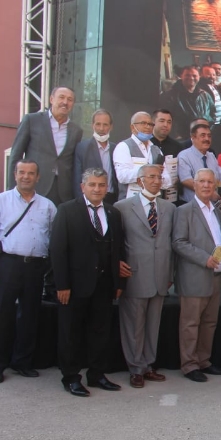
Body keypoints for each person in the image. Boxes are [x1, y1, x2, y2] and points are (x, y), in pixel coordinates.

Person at [50, 168, 124, 396]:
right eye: (92, 184)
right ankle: (71, 377)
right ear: (83, 187)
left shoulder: (113, 213)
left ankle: (97, 374)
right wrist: (62, 284)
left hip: (103, 286)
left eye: (101, 185)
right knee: (70, 333)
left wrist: (118, 283)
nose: (97, 189)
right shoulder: (67, 211)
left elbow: (118, 250)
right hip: (74, 286)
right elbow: (58, 251)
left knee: (100, 332)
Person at [115, 165, 175, 388]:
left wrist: (170, 273)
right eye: (151, 177)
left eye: (159, 177)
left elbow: (171, 243)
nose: (156, 181)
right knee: (133, 326)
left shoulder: (169, 208)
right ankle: (135, 368)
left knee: (153, 325)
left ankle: (148, 365)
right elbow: (116, 243)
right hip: (135, 274)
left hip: (160, 276)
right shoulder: (122, 208)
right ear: (140, 181)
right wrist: (116, 265)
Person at [0, 160, 57, 383]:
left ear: (38, 177)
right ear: (15, 175)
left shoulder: (48, 206)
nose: (26, 176)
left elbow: (53, 236)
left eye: (31, 173)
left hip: (35, 266)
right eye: (22, 172)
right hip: (8, 264)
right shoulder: (2, 201)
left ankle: (22, 362)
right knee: (3, 316)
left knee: (30, 315)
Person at [172, 168, 221, 383]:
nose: (206, 185)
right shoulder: (184, 211)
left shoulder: (217, 211)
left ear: (215, 186)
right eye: (202, 181)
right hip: (195, 275)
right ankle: (189, 364)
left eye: (210, 182)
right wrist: (204, 258)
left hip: (215, 276)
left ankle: (203, 360)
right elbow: (178, 242)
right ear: (194, 185)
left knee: (209, 322)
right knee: (190, 323)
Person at [8, 86, 83, 205]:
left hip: (63, 192)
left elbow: (73, 162)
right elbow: (15, 155)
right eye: (61, 97)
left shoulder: (76, 130)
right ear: (51, 99)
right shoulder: (32, 120)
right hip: (35, 186)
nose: (65, 102)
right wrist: (12, 192)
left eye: (70, 99)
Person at [114, 112, 174, 199]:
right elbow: (122, 176)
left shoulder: (156, 149)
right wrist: (149, 170)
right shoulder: (123, 146)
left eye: (150, 124)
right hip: (131, 203)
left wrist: (157, 177)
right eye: (143, 123)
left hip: (154, 203)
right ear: (132, 127)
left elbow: (167, 182)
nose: (148, 127)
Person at [177, 123, 221, 207]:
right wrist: (210, 193)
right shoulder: (184, 156)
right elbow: (186, 180)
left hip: (212, 207)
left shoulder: (211, 156)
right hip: (192, 208)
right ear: (193, 137)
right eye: (203, 135)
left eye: (209, 136)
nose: (207, 139)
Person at [73, 109, 118, 205]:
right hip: (91, 198)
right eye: (98, 124)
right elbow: (77, 179)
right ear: (92, 125)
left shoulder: (116, 148)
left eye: (105, 124)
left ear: (111, 127)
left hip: (112, 198)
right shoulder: (82, 148)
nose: (101, 128)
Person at [158, 66, 213, 140]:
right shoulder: (170, 96)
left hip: (202, 137)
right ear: (181, 76)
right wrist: (175, 135)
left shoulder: (205, 95)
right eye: (187, 75)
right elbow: (163, 118)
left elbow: (213, 113)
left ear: (199, 77)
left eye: (194, 75)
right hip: (181, 139)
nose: (191, 78)